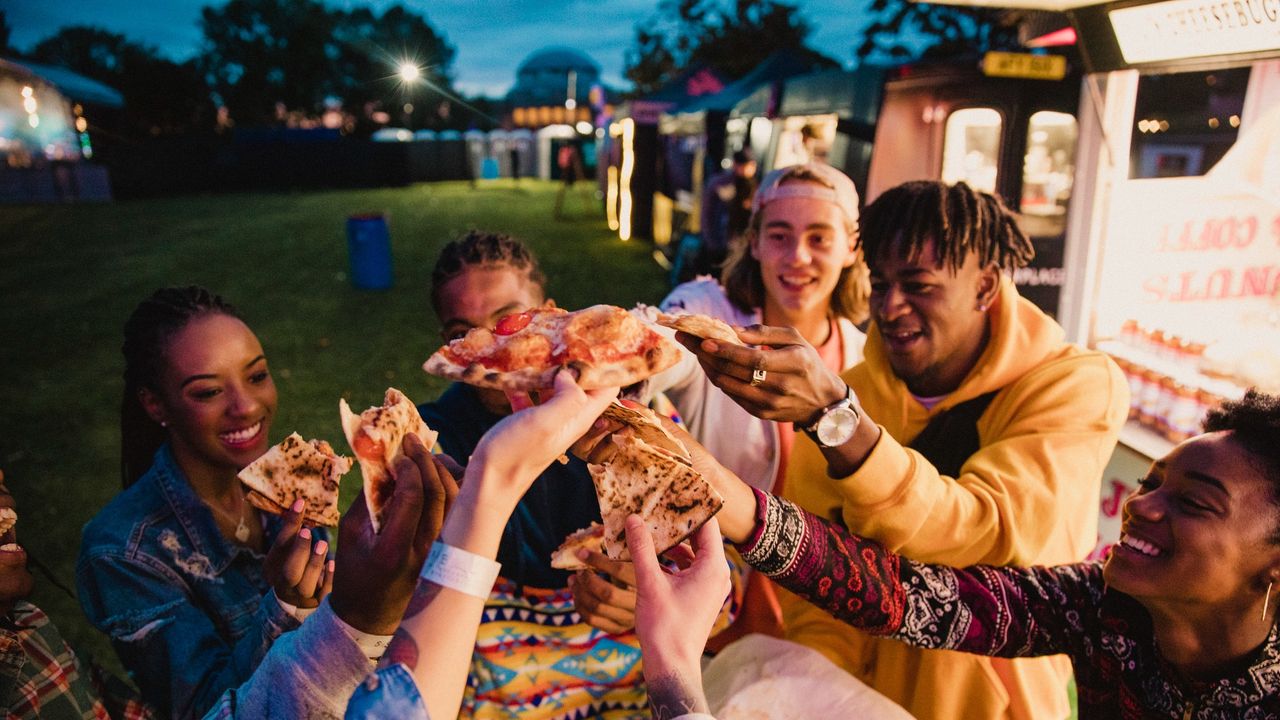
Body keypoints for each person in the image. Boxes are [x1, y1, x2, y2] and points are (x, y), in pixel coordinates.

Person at [674, 180, 1129, 719]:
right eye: (881, 282)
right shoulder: (854, 387)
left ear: (984, 286)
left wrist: (837, 421)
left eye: (918, 285)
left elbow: (990, 532)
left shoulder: (1074, 384)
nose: (890, 307)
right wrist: (812, 690)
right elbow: (815, 576)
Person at [630, 389, 1280, 719]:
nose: (1143, 506)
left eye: (1195, 503)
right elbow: (912, 597)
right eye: (1149, 483)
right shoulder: (1099, 606)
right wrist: (736, 504)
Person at [579, 163, 868, 646]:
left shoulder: (863, 360)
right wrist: (615, 349)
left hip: (823, 626)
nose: (797, 256)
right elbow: (657, 336)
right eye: (779, 235)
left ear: (851, 248)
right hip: (714, 618)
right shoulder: (711, 313)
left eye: (819, 238)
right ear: (753, 242)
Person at [421, 232, 703, 718]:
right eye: (462, 333)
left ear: (551, 315)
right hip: (487, 688)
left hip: (628, 681)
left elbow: (713, 580)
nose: (495, 347)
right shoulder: (431, 444)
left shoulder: (635, 417)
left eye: (509, 322)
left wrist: (645, 594)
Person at [76, 287, 337, 718]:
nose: (247, 406)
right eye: (208, 392)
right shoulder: (123, 552)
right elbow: (203, 708)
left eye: (256, 376)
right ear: (155, 403)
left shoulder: (297, 489)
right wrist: (287, 605)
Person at [347, 370, 622, 719]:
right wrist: (492, 478)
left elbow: (402, 704)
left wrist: (491, 483)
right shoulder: (441, 434)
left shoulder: (629, 422)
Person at [698, 150, 757, 276]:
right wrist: (711, 241)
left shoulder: (754, 185)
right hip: (720, 240)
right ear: (736, 164)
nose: (749, 169)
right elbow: (707, 213)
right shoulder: (721, 183)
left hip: (740, 243)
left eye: (751, 165)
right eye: (745, 165)